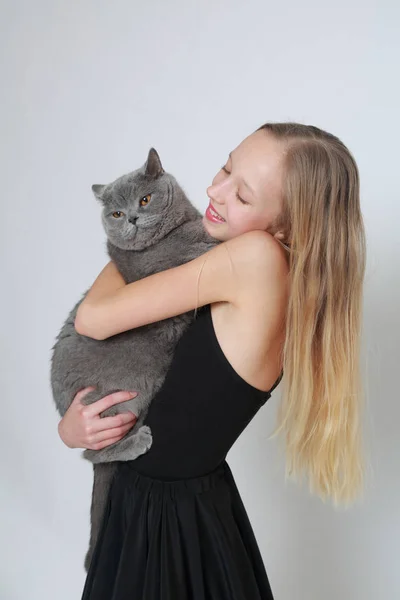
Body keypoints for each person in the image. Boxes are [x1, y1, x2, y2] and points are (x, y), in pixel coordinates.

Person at [58, 122, 367, 599]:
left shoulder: (255, 259)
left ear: (285, 225)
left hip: (162, 524)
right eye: (226, 167)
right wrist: (76, 428)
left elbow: (94, 320)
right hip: (186, 507)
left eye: (242, 195)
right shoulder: (281, 274)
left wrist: (130, 238)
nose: (213, 190)